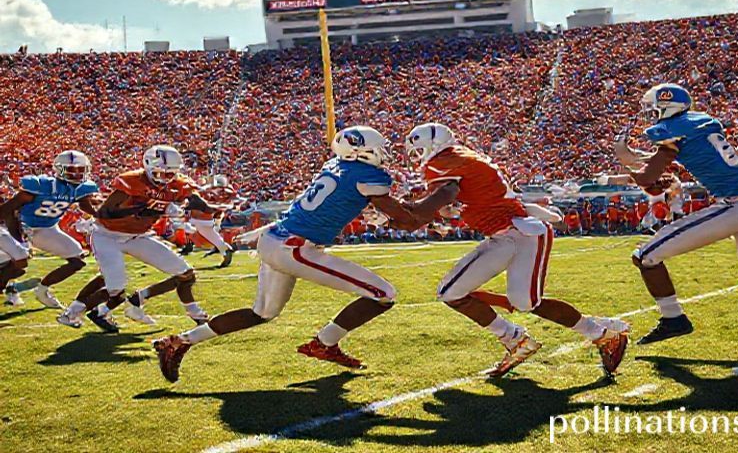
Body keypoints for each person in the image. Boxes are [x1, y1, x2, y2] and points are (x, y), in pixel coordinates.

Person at [152, 126, 452, 382]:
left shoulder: (334, 167)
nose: (383, 153)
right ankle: (325, 343)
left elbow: (358, 204)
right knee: (383, 294)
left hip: (275, 238)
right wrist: (440, 205)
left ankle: (177, 341)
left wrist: (398, 214)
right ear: (363, 151)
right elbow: (405, 220)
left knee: (263, 313)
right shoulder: (368, 175)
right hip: (296, 247)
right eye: (379, 148)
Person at [399, 123, 628, 378]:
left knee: (525, 301)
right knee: (453, 292)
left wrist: (409, 211)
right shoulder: (460, 158)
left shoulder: (445, 161)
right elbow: (460, 199)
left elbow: (446, 194)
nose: (417, 157)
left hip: (522, 233)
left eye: (419, 150)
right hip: (504, 235)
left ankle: (602, 334)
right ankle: (515, 339)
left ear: (433, 146)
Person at [610, 83, 738, 345]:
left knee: (645, 256)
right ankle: (673, 318)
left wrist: (626, 164)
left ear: (667, 107)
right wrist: (640, 162)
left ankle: (673, 318)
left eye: (653, 109)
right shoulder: (698, 123)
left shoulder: (671, 130)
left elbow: (648, 178)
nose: (650, 115)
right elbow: (681, 160)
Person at [57, 145, 220, 332]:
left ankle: (196, 314)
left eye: (170, 174)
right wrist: (151, 209)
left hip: (138, 236)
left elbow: (194, 198)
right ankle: (71, 313)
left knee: (185, 273)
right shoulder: (132, 181)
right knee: (115, 291)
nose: (165, 179)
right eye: (160, 174)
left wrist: (211, 208)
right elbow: (105, 212)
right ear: (148, 166)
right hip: (107, 235)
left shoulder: (179, 183)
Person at [0, 151, 100, 308]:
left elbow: (85, 204)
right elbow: (7, 211)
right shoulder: (41, 186)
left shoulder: (81, 189)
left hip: (48, 229)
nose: (77, 174)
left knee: (77, 261)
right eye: (72, 170)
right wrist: (18, 236)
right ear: (59, 169)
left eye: (81, 170)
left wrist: (101, 214)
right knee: (17, 264)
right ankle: (9, 287)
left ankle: (42, 290)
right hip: (23, 226)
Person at [190, 175, 236, 267]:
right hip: (209, 220)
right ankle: (225, 249)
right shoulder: (229, 193)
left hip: (195, 218)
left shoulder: (208, 190)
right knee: (214, 237)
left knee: (179, 226)